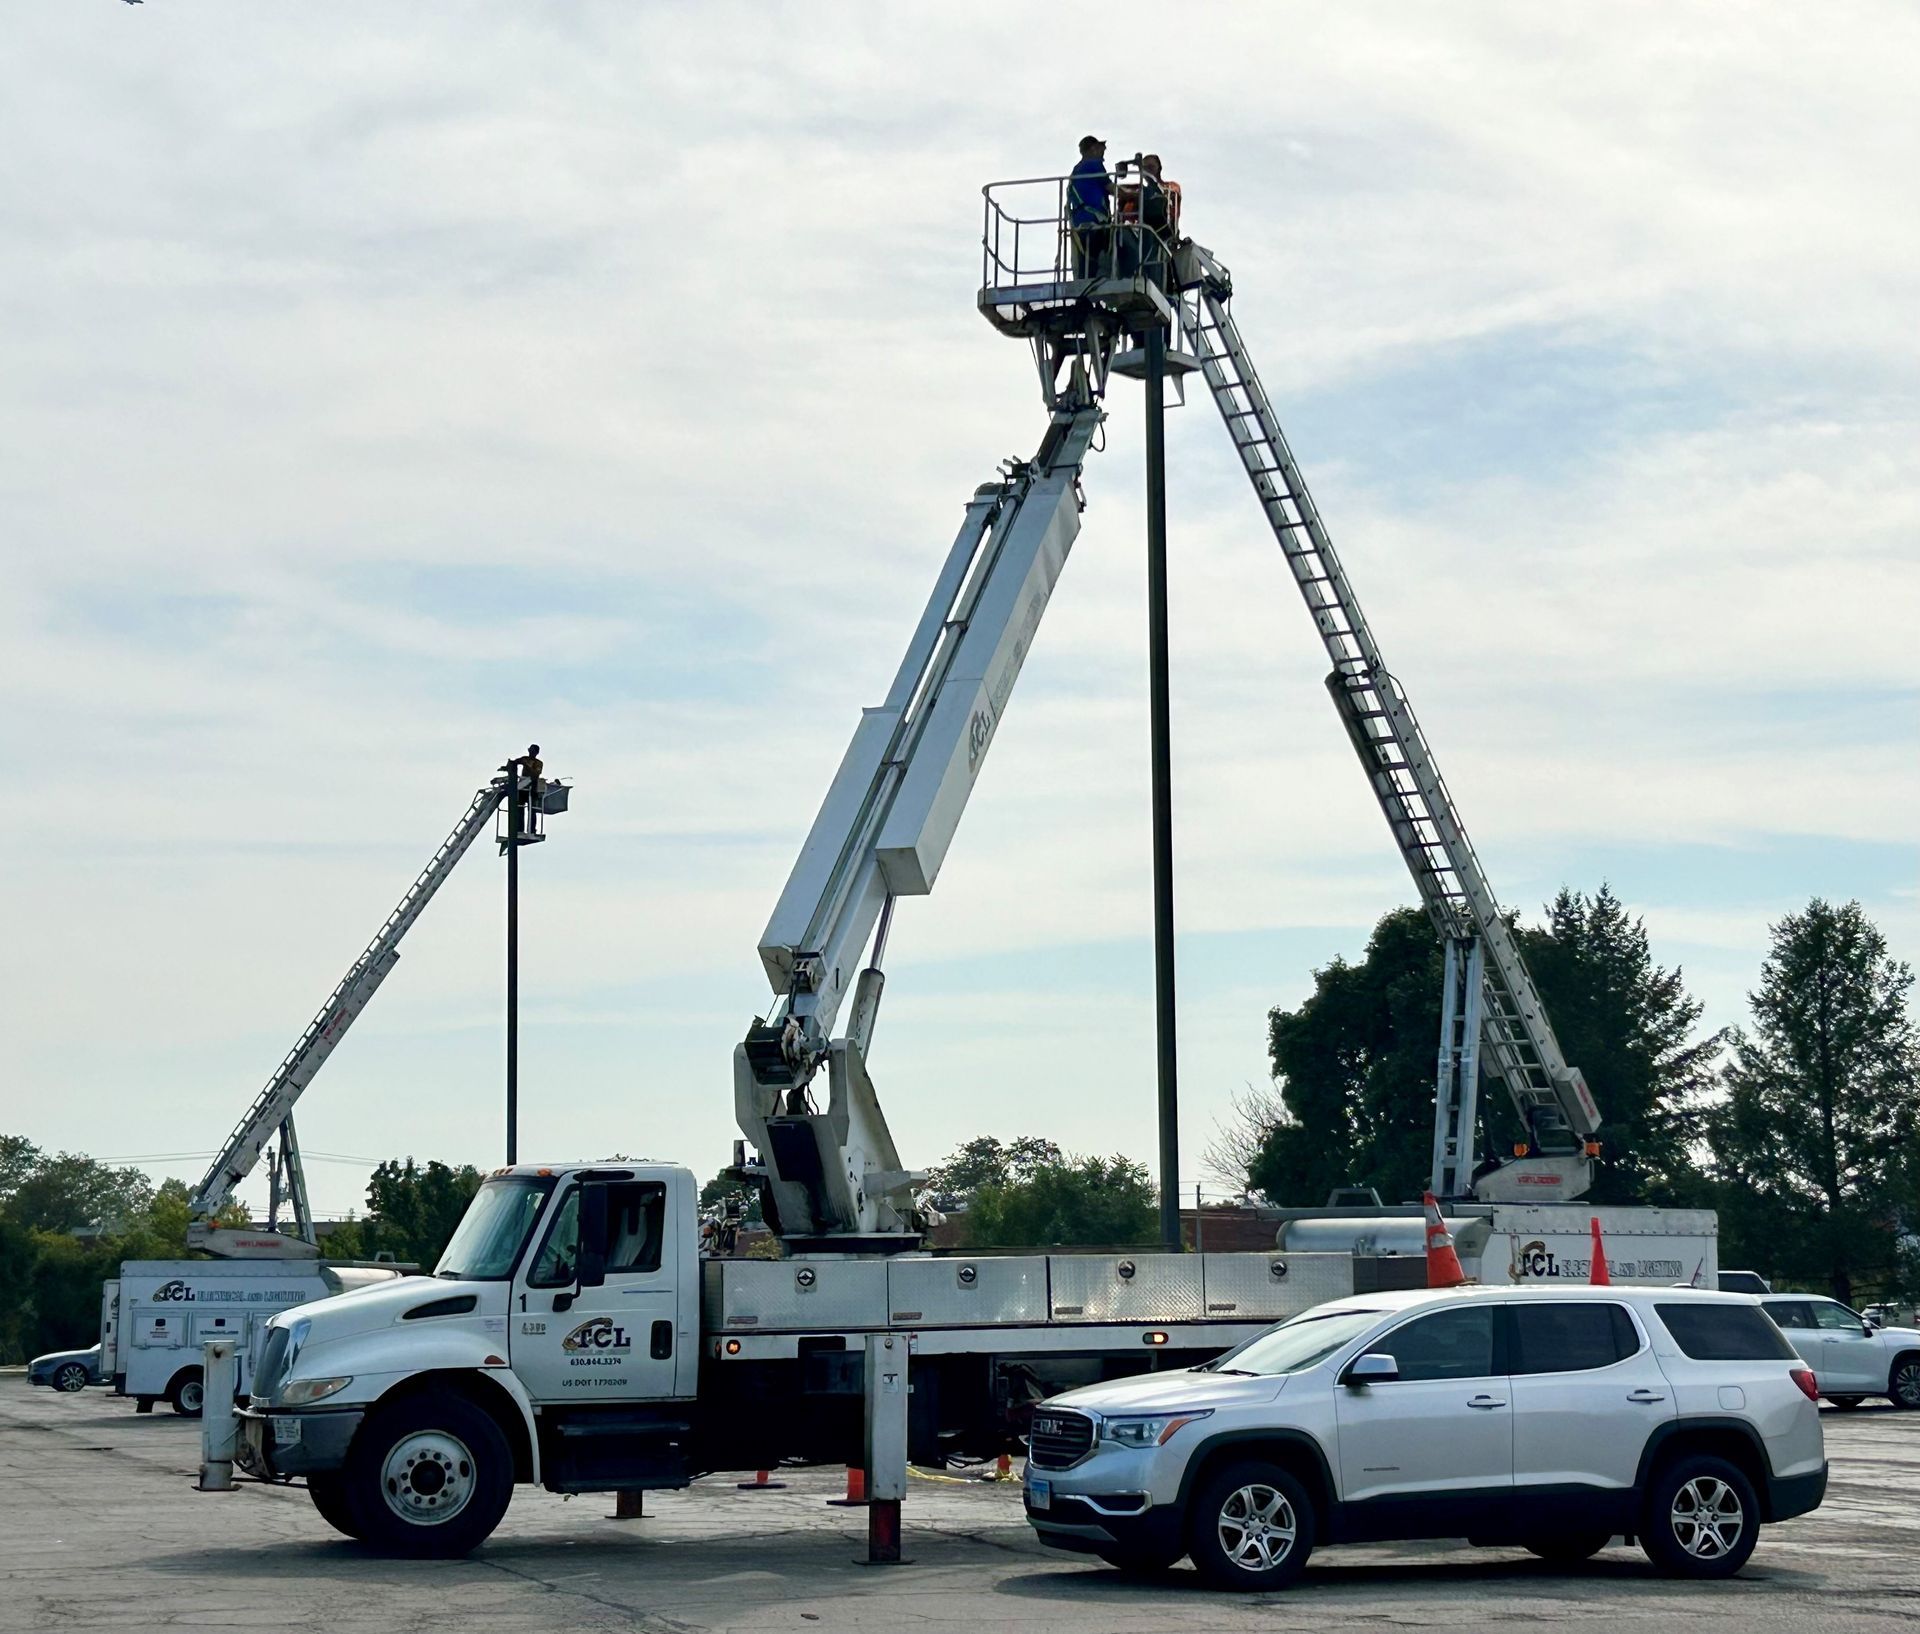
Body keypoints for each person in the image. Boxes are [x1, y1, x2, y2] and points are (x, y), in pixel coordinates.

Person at [1066, 134, 1111, 279]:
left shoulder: (1077, 169)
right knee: (1097, 258)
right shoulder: (1093, 165)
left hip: (1080, 222)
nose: (1103, 151)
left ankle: (1084, 297)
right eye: (1100, 147)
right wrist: (1134, 194)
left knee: (1086, 262)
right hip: (1093, 220)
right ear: (1093, 149)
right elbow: (1111, 188)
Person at [509, 743, 543, 829]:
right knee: (520, 809)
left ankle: (532, 829)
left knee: (532, 810)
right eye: (530, 750)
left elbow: (536, 774)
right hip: (522, 789)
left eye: (532, 751)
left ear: (536, 752)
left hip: (532, 789)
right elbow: (515, 762)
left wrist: (527, 765)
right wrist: (509, 765)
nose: (530, 752)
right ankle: (520, 828)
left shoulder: (539, 763)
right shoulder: (525, 759)